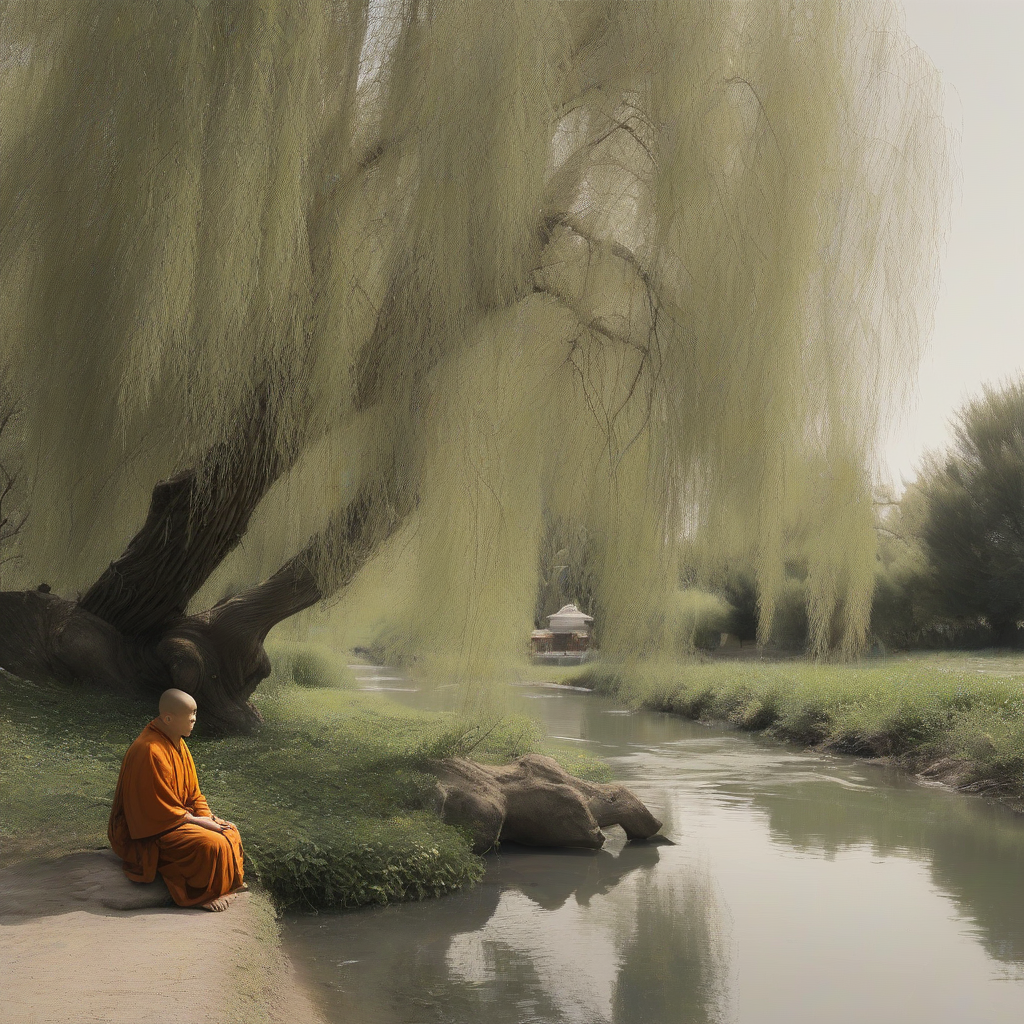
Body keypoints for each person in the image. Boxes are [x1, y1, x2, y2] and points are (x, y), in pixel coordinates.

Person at [108, 688, 246, 911]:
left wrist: (208, 816)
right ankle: (202, 896)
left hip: (177, 819)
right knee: (212, 843)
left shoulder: (177, 743)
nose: (193, 719)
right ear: (169, 718)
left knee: (229, 831)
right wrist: (201, 822)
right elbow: (156, 810)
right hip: (152, 830)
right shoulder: (148, 750)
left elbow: (194, 793)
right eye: (189, 714)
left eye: (195, 713)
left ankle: (224, 885)